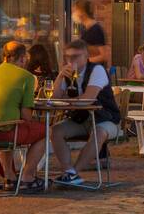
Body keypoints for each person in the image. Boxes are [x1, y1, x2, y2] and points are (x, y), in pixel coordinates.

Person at [48, 39, 120, 187]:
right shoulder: (68, 73)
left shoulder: (96, 70)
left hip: (106, 119)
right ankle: (68, 171)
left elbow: (87, 99)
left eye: (76, 56)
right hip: (81, 119)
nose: (71, 60)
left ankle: (74, 172)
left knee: (99, 133)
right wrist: (60, 76)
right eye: (68, 57)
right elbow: (54, 98)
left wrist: (67, 100)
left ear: (86, 56)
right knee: (56, 131)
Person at [0, 41, 47, 190]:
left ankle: (9, 177)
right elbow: (26, 115)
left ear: (4, 57)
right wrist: (36, 120)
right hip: (6, 133)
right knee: (46, 131)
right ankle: (27, 177)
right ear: (22, 58)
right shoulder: (27, 77)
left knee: (6, 125)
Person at [72, 0, 109, 66]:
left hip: (94, 71)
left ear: (81, 12)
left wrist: (84, 61)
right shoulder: (84, 29)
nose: (73, 14)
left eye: (75, 11)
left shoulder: (96, 30)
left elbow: (104, 56)